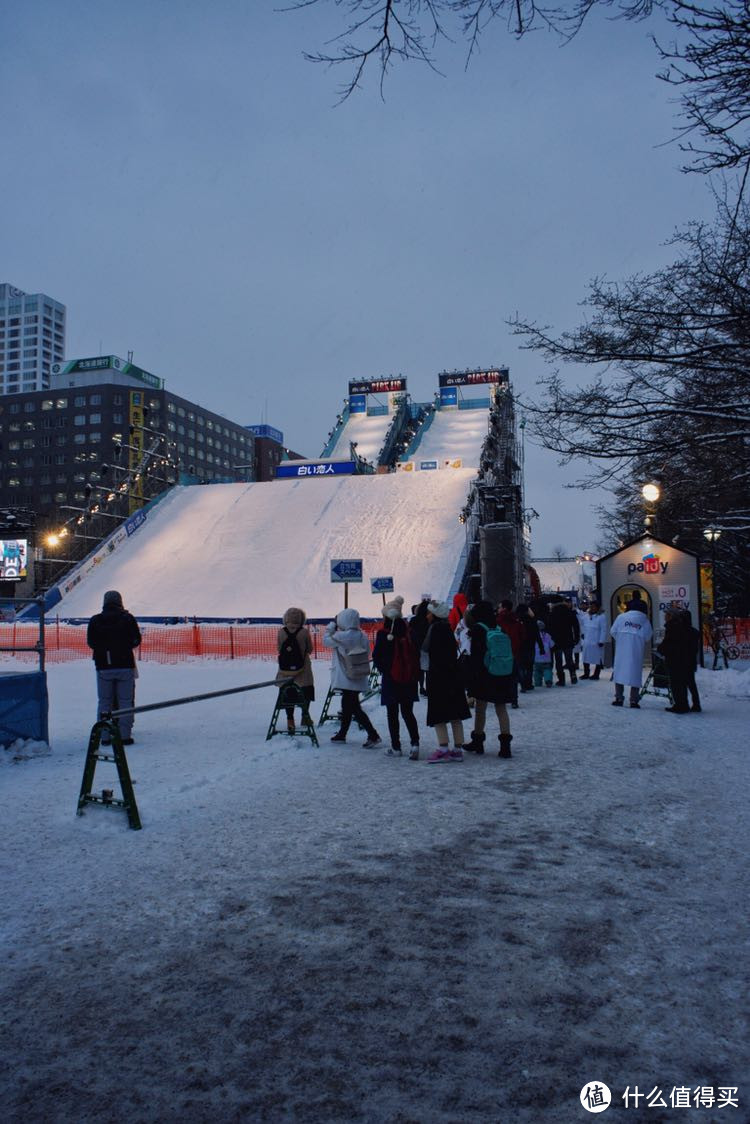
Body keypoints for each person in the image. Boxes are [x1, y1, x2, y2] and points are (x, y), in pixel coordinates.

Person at [86, 589, 142, 745]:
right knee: (125, 701)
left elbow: (91, 642)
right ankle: (125, 735)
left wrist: (105, 649)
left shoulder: (95, 620)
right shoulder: (128, 618)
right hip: (125, 665)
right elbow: (136, 640)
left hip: (103, 666)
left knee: (104, 702)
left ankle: (104, 735)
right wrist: (123, 647)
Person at [463, 600, 515, 758]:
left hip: (484, 675)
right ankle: (505, 746)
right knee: (501, 708)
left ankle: (478, 741)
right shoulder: (499, 628)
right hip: (502, 673)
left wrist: (471, 679)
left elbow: (476, 658)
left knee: (481, 708)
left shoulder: (478, 629)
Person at [323, 608, 381, 747]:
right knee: (348, 706)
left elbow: (326, 641)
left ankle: (373, 734)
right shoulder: (362, 636)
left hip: (346, 677)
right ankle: (342, 734)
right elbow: (367, 651)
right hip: (358, 675)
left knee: (354, 708)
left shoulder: (341, 636)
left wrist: (331, 627)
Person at [422, 600, 470, 762]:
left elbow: (430, 653)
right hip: (453, 676)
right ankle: (457, 749)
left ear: (435, 615)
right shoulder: (447, 629)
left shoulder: (434, 630)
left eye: (429, 613)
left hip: (439, 677)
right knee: (455, 714)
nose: (427, 616)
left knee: (439, 714)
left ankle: (443, 748)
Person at [372, 596, 420, 758]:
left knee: (392, 714)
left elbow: (377, 656)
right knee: (408, 712)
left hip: (391, 679)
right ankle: (415, 744)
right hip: (409, 678)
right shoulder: (409, 632)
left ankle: (396, 747)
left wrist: (385, 670)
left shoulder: (382, 633)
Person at [276, 607, 315, 733]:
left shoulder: (281, 632)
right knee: (306, 692)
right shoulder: (304, 632)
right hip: (303, 670)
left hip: (285, 670)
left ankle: (290, 720)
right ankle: (305, 717)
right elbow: (309, 649)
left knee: (288, 695)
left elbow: (279, 648)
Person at [610, 599, 653, 708]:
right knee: (635, 674)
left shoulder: (621, 617)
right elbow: (648, 636)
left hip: (621, 650)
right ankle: (634, 700)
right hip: (636, 651)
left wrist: (621, 638)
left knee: (619, 673)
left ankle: (619, 698)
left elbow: (613, 631)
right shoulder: (644, 620)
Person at [657, 606, 693, 714]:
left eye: (666, 615)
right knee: (681, 683)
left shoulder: (673, 627)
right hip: (681, 658)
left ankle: (680, 705)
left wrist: (661, 649)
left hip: (675, 659)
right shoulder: (680, 626)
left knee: (676, 683)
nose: (664, 617)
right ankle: (683, 704)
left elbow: (669, 643)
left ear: (670, 616)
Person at [547, 596, 580, 686]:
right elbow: (576, 626)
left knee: (559, 661)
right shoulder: (569, 612)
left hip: (556, 641)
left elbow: (549, 628)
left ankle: (561, 679)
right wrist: (576, 638)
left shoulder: (552, 613)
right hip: (568, 639)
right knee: (569, 659)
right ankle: (573, 675)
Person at [497, 599, 523, 707]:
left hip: (501, 653)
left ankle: (501, 698)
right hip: (514, 652)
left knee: (500, 676)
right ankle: (514, 700)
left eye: (499, 607)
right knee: (513, 677)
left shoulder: (498, 620)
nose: (498, 609)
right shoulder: (516, 619)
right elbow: (522, 635)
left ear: (504, 608)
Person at [515, 603, 539, 692]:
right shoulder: (532, 620)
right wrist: (540, 646)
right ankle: (528, 683)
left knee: (521, 666)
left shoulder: (517, 620)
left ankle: (522, 683)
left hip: (520, 646)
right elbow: (537, 634)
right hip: (530, 645)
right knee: (529, 666)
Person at [409, 598, 431, 697]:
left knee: (420, 670)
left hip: (416, 648)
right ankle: (429, 687)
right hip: (428, 648)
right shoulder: (429, 620)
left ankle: (421, 687)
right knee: (428, 669)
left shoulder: (413, 620)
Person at [580, 600, 607, 679]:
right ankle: (586, 673)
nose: (591, 608)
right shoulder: (586, 616)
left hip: (596, 641)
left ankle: (596, 674)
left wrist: (601, 640)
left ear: (598, 607)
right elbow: (582, 625)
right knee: (586, 657)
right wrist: (582, 633)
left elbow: (603, 629)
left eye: (593, 606)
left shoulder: (601, 617)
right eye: (590, 606)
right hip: (587, 640)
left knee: (597, 658)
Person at [681, 609, 702, 712]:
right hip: (691, 660)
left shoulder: (681, 631)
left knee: (682, 683)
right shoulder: (694, 632)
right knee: (691, 683)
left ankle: (684, 703)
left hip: (683, 660)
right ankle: (696, 703)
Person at [533, 620, 554, 687]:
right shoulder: (547, 635)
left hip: (536, 658)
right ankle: (548, 680)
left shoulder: (533, 636)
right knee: (547, 669)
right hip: (546, 658)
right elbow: (552, 644)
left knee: (537, 671)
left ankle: (537, 682)